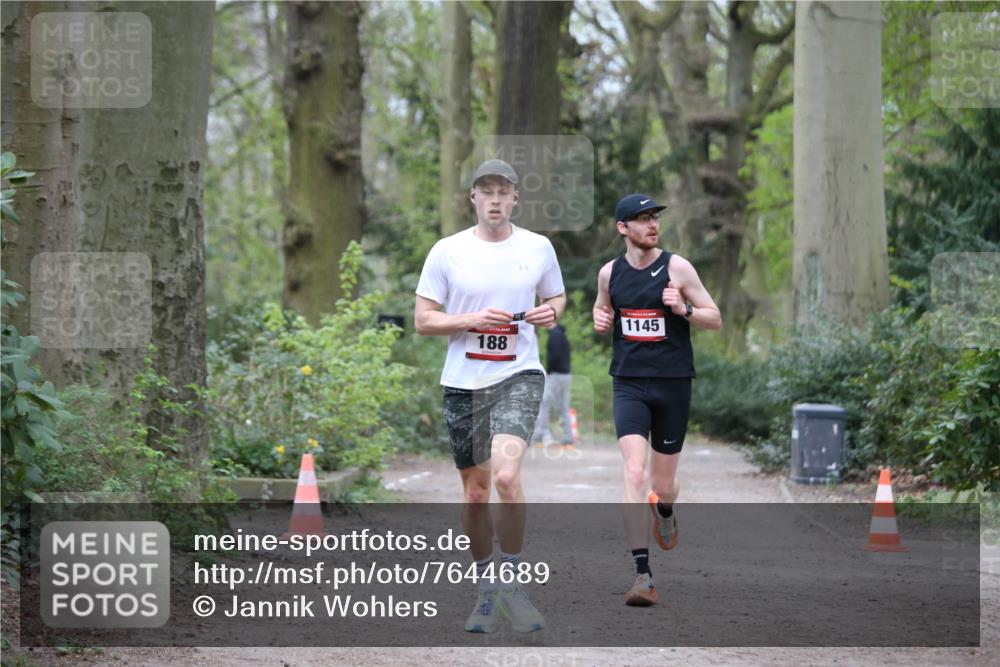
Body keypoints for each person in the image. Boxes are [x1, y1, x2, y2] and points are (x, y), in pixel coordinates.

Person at [414, 158, 567, 632]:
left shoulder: (538, 247)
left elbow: (557, 299)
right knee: (476, 493)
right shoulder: (447, 251)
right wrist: (470, 320)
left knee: (504, 476)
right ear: (473, 198)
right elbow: (424, 320)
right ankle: (487, 590)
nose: (496, 199)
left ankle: (515, 587)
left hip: (519, 374)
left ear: (516, 197)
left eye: (504, 191)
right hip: (463, 382)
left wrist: (550, 313)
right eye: (487, 191)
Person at [591, 193, 722, 606]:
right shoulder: (609, 274)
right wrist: (600, 319)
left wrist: (683, 310)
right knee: (634, 473)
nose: (652, 225)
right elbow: (602, 311)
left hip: (672, 383)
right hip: (628, 383)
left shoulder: (677, 267)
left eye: (655, 219)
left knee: (662, 485)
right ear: (622, 228)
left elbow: (714, 318)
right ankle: (642, 575)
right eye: (643, 219)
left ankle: (665, 511)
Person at [530, 323, 574, 448]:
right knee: (563, 406)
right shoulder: (562, 335)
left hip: (555, 375)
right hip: (566, 375)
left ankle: (540, 436)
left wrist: (548, 371)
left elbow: (555, 356)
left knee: (544, 403)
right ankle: (568, 437)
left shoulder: (555, 335)